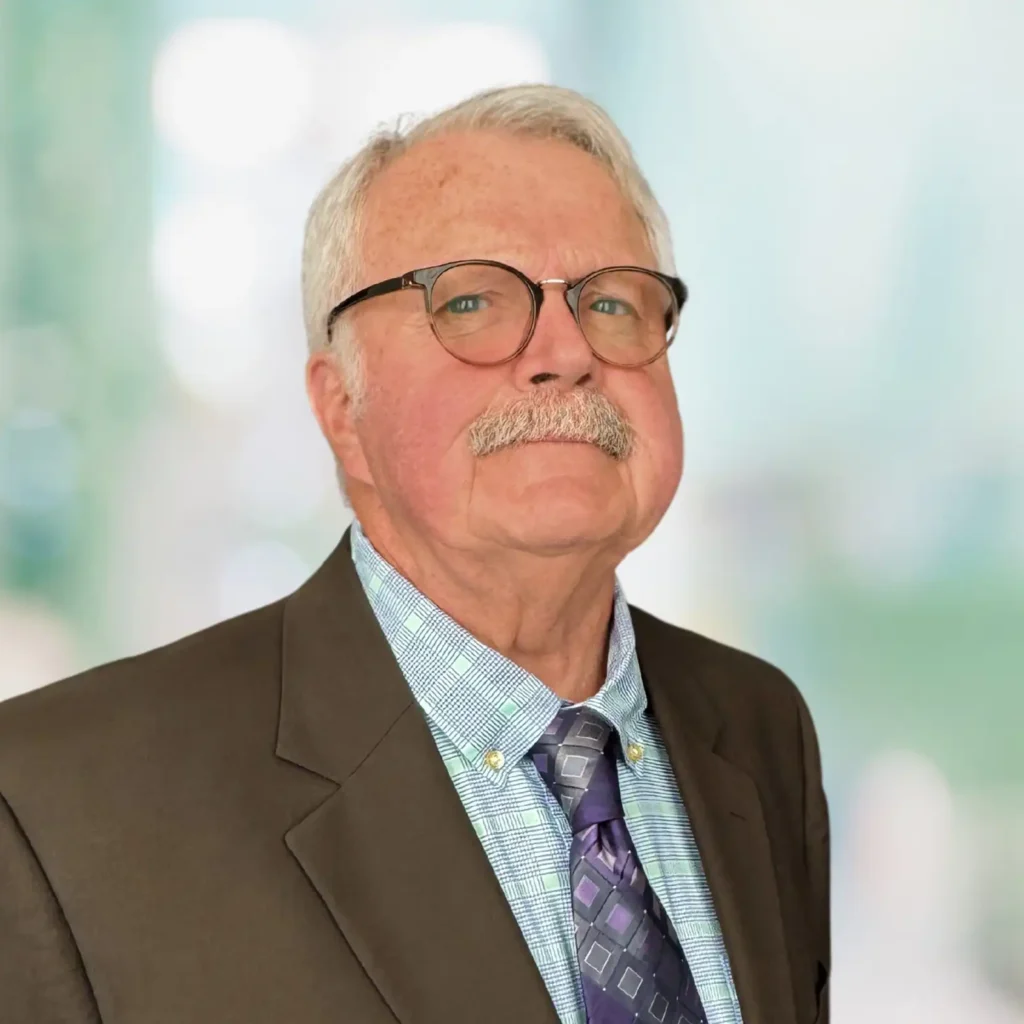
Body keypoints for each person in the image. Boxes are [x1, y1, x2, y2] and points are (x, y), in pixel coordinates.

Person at [0, 84, 829, 1024]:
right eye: (470, 301)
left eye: (611, 302)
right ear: (341, 407)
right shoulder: (57, 807)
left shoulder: (759, 730)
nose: (566, 352)